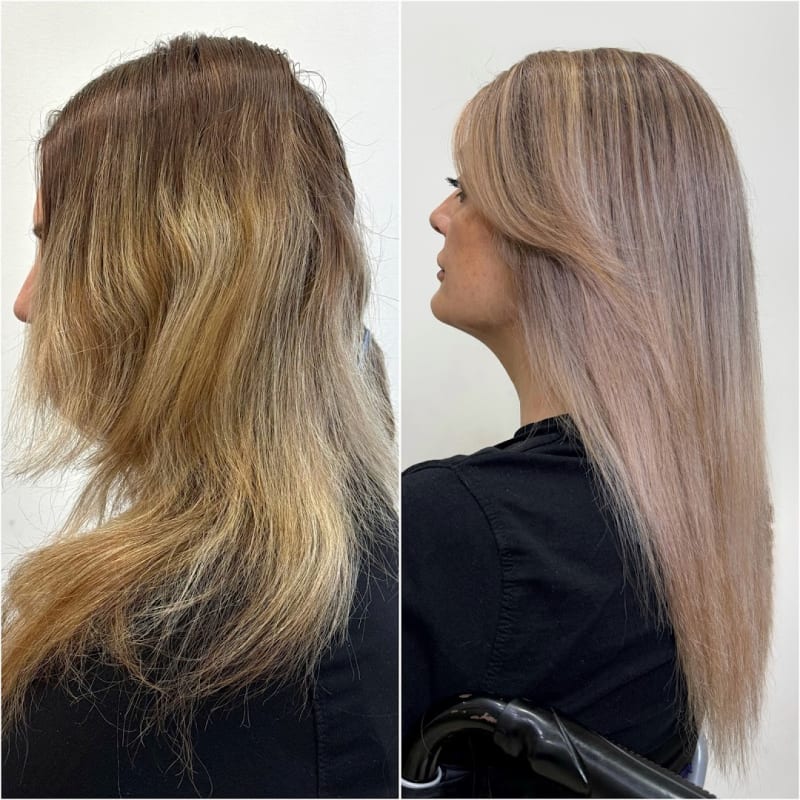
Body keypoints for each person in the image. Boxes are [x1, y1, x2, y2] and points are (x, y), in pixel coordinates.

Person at [3, 34, 397, 798]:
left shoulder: (146, 674)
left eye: (56, 245)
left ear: (170, 276)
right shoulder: (368, 563)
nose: (26, 302)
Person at [402, 48, 773, 795]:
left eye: (465, 189)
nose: (440, 216)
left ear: (566, 231)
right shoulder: (709, 519)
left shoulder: (451, 527)